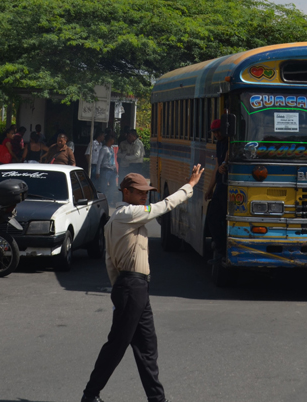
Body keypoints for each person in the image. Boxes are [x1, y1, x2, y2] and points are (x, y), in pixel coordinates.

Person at [82, 165, 204, 402]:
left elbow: (110, 262)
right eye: (140, 192)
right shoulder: (129, 214)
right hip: (131, 287)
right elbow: (165, 205)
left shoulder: (118, 220)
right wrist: (189, 186)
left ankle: (157, 399)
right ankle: (90, 394)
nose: (145, 196)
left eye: (146, 192)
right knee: (118, 344)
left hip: (134, 288)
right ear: (125, 193)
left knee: (147, 347)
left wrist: (119, 289)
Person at [205, 119, 229, 252]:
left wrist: (224, 164)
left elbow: (227, 156)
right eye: (214, 132)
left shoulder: (230, 142)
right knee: (212, 217)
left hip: (228, 185)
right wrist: (210, 189)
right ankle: (220, 245)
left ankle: (224, 246)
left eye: (219, 131)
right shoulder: (219, 144)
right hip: (220, 185)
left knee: (225, 218)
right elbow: (216, 167)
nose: (217, 135)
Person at [95, 135, 118, 206]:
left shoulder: (111, 148)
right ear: (109, 140)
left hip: (112, 170)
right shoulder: (104, 149)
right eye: (112, 139)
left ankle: (110, 200)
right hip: (105, 170)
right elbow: (99, 161)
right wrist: (97, 171)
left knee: (113, 186)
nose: (113, 141)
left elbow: (113, 159)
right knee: (103, 186)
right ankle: (102, 201)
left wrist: (115, 168)